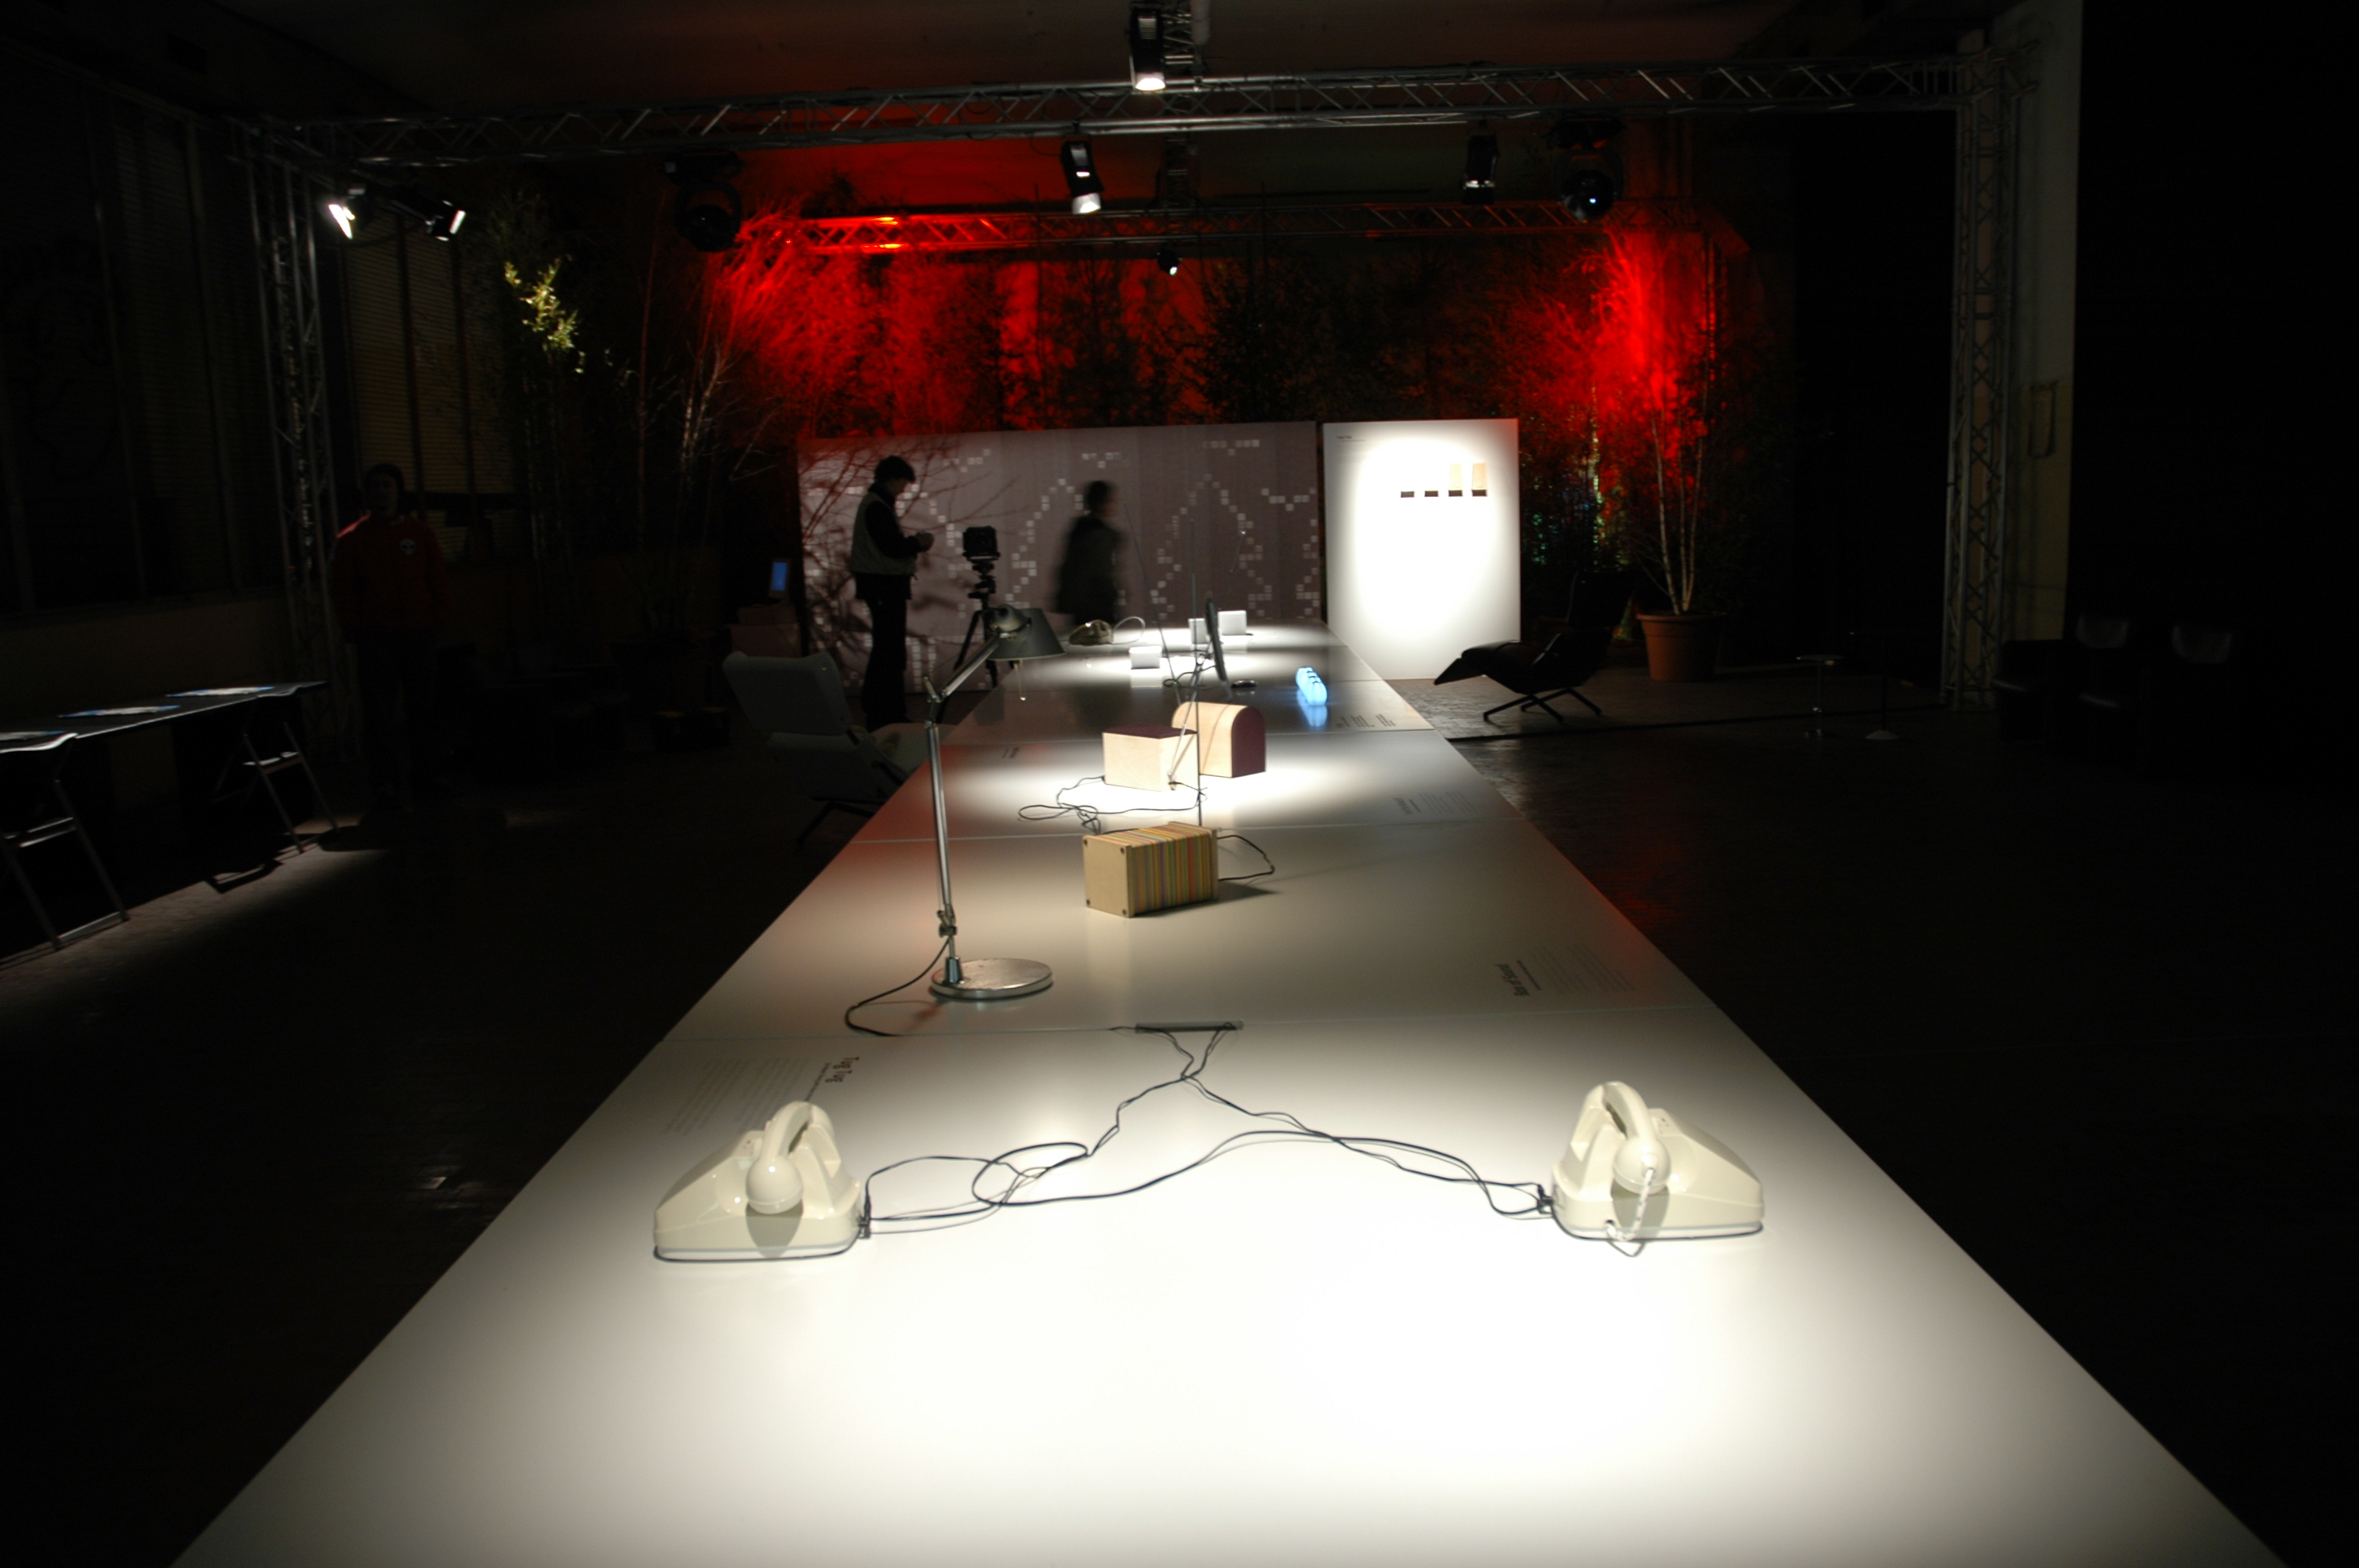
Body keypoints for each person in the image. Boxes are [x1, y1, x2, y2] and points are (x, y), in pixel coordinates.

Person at [330, 463, 453, 813]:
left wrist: (437, 619)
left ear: (399, 491)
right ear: (367, 494)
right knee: (379, 714)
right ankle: (385, 781)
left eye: (387, 485)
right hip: (376, 638)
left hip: (418, 634)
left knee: (423, 708)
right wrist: (354, 629)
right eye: (375, 486)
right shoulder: (352, 538)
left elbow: (437, 579)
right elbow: (343, 590)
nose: (381, 491)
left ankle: (427, 775)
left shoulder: (421, 533)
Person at [847, 455, 934, 730]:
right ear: (893, 479)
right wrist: (918, 543)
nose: (903, 490)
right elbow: (892, 547)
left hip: (880, 587)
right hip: (885, 587)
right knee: (889, 651)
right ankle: (886, 712)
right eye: (903, 484)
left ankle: (882, 711)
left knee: (886, 648)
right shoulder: (878, 506)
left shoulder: (874, 503)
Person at [1053, 480, 1125, 628]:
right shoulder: (1100, 535)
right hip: (1097, 604)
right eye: (1111, 500)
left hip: (1081, 604)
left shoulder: (1079, 531)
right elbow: (1101, 572)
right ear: (1102, 503)